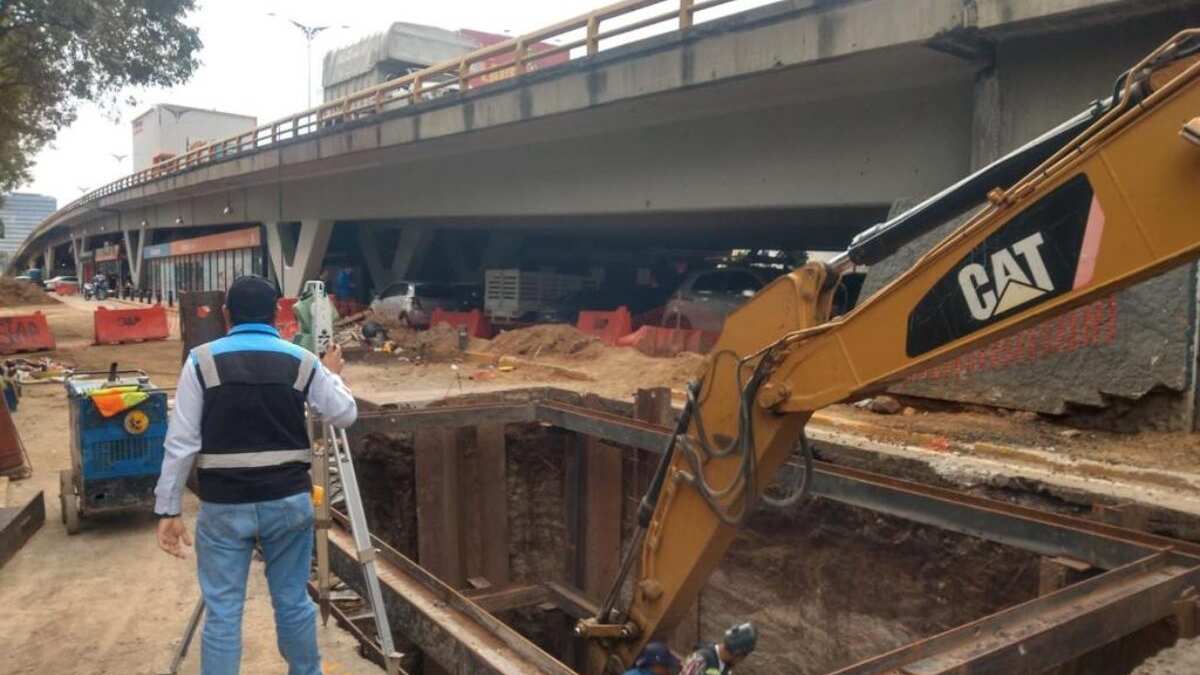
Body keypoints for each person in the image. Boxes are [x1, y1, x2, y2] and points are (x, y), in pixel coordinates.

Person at [153, 275, 357, 675]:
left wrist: (168, 509)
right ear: (278, 313)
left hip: (225, 506)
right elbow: (344, 413)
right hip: (288, 502)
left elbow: (181, 444)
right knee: (293, 600)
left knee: (224, 611)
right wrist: (330, 373)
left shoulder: (201, 361)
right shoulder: (300, 360)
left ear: (227, 314)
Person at [680, 623, 758, 675]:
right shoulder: (700, 660)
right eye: (742, 658)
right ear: (737, 655)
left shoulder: (726, 668)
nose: (740, 662)